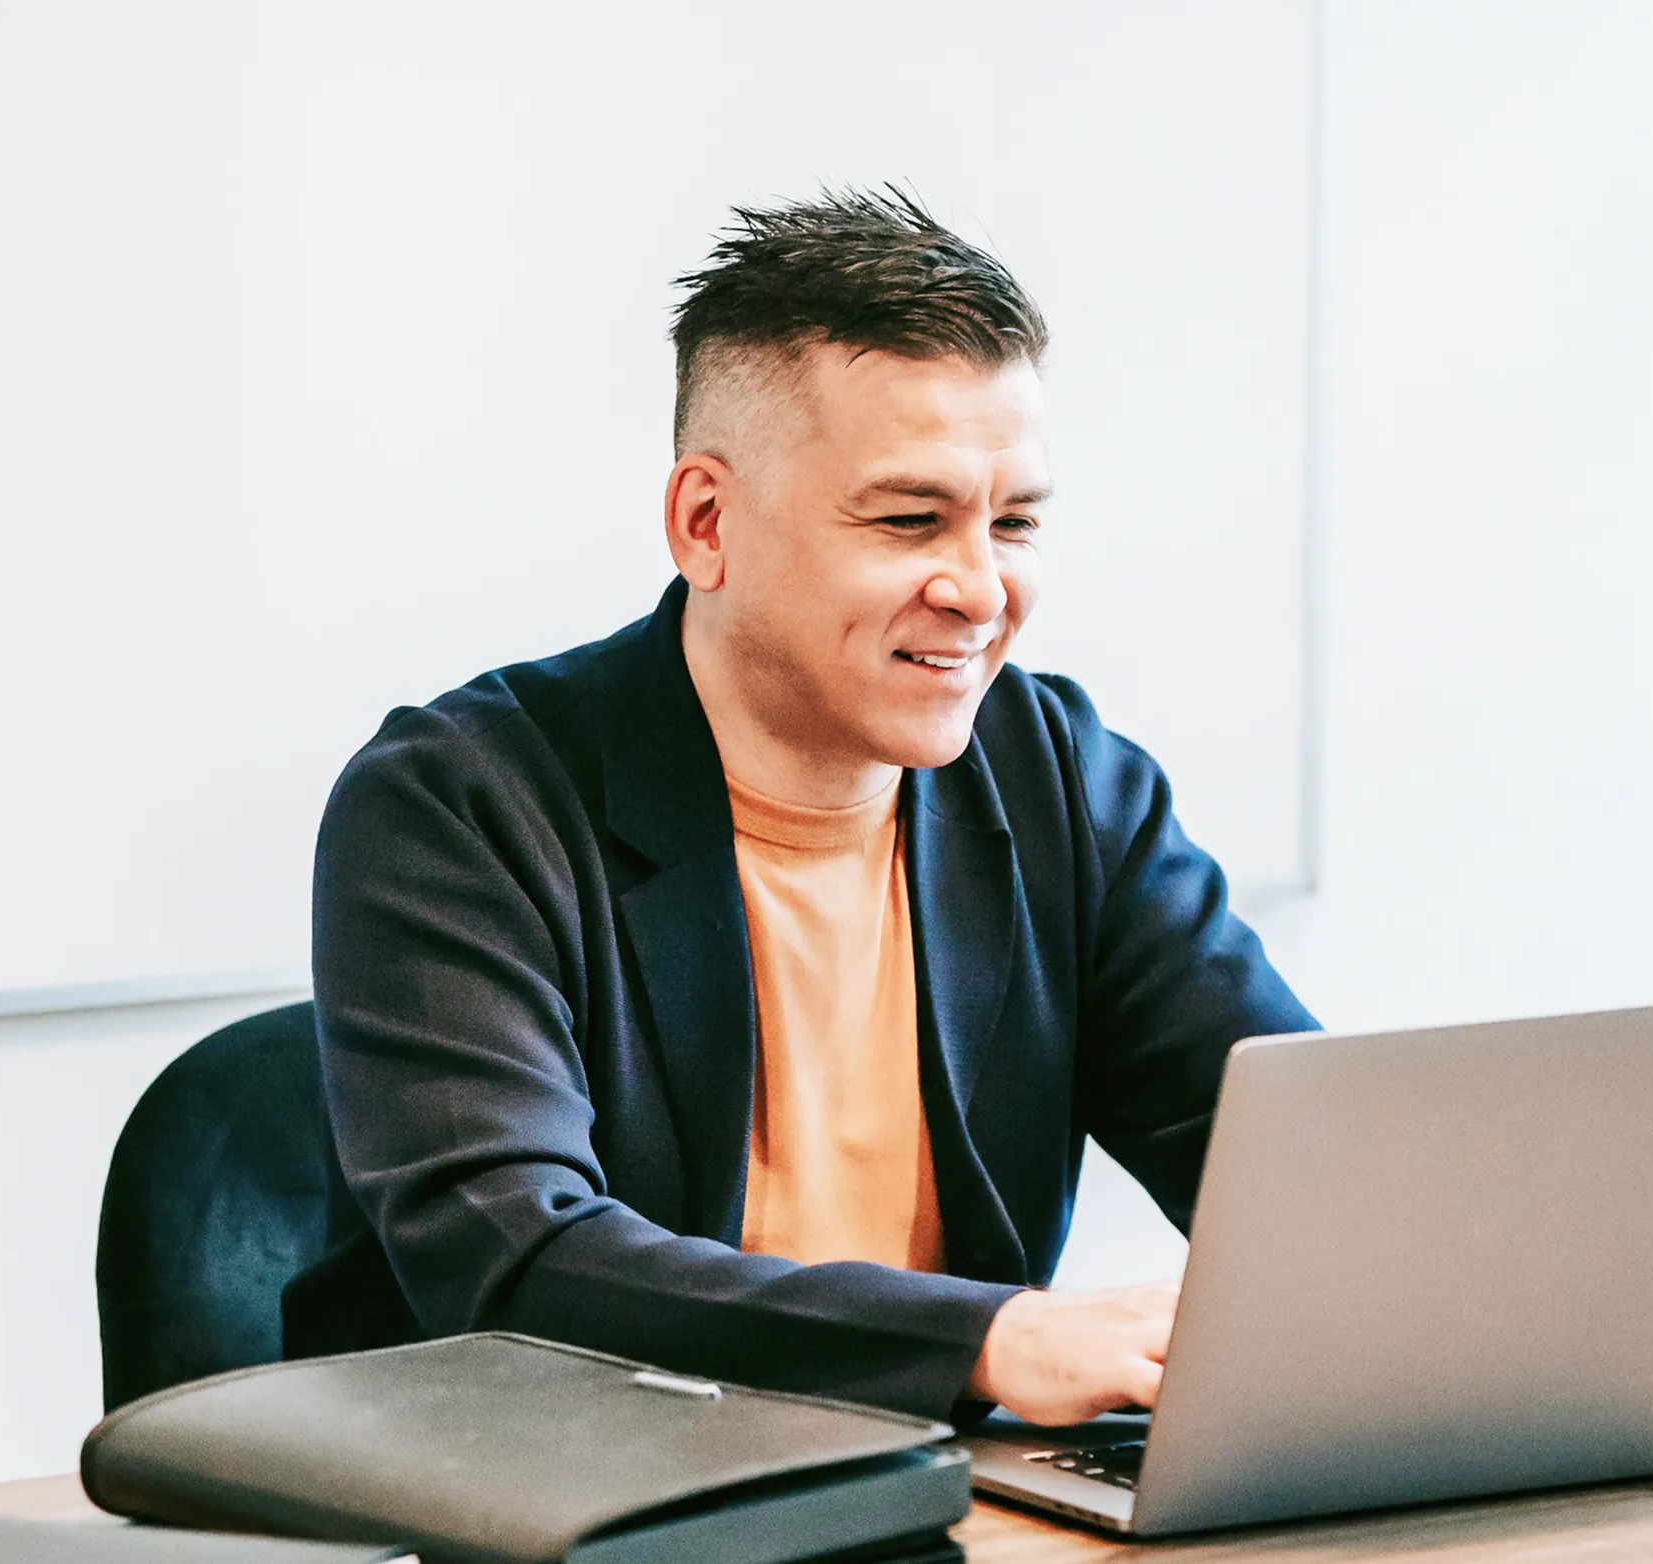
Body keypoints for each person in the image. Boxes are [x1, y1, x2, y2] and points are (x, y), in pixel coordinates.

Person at [286, 188, 1316, 1426]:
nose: (982, 591)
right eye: (908, 521)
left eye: (1017, 520)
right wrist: (990, 1339)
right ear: (706, 523)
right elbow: (517, 1265)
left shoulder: (1060, 775)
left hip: (931, 1500)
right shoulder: (457, 803)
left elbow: (1301, 1175)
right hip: (561, 1505)